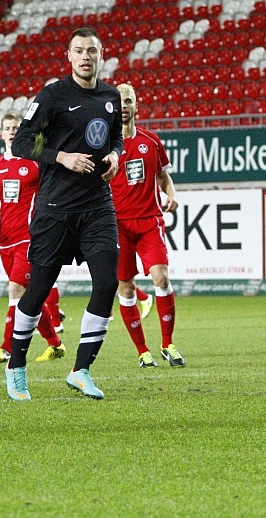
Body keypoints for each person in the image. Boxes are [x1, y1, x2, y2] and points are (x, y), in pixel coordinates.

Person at [4, 27, 123, 402]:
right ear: (69, 56)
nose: (86, 56)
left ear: (101, 55)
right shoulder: (52, 95)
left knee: (107, 283)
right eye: (79, 51)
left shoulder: (111, 96)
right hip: (55, 209)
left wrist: (114, 155)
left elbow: (116, 136)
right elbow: (22, 142)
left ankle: (81, 370)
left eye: (92, 50)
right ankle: (16, 365)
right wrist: (61, 157)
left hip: (97, 205)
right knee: (38, 290)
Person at [0, 112, 66, 364]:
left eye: (16, 127)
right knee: (29, 297)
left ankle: (6, 347)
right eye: (8, 128)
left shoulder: (36, 161)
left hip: (30, 238)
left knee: (15, 289)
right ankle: (55, 344)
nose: (12, 132)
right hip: (5, 240)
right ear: (1, 133)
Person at [109, 84, 185, 368]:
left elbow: (163, 176)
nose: (124, 106)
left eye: (128, 101)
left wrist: (172, 195)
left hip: (150, 221)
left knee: (161, 278)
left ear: (136, 106)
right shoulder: (104, 146)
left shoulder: (151, 141)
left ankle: (168, 344)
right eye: (120, 102)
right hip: (117, 225)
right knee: (126, 288)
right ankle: (142, 351)